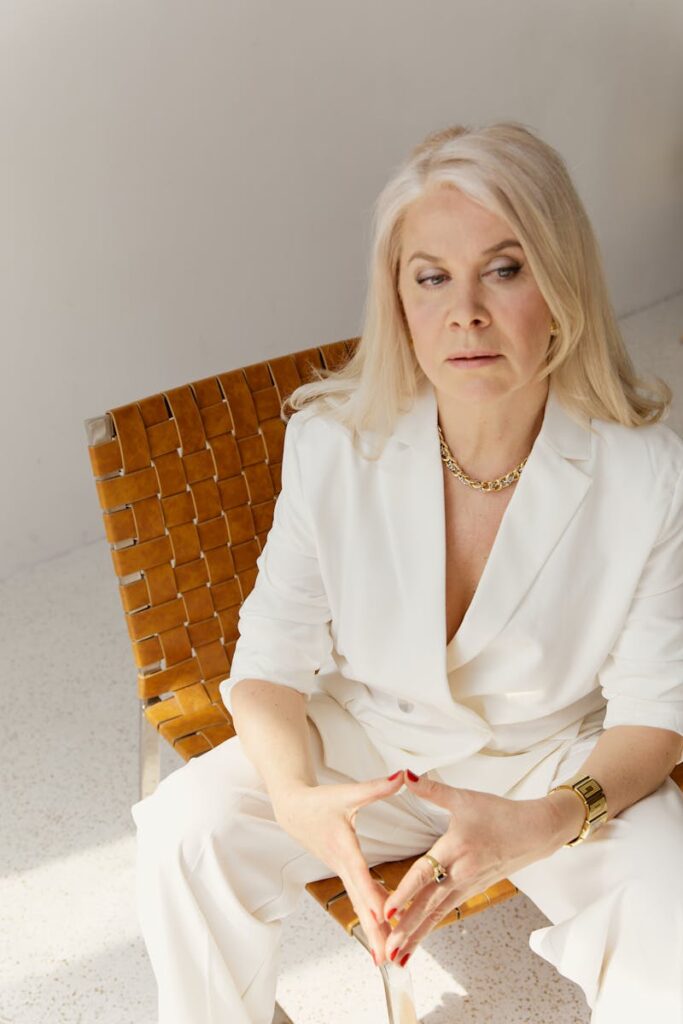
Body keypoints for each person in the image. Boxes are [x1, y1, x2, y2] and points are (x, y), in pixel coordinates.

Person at [131, 121, 683, 1024]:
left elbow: (654, 720)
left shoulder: (649, 474)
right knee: (185, 832)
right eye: (432, 277)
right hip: (369, 743)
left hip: (550, 757)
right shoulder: (331, 442)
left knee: (670, 920)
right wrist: (295, 795)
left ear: (560, 284)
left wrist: (548, 816)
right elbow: (268, 661)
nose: (464, 312)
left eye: (503, 270)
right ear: (398, 299)